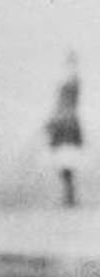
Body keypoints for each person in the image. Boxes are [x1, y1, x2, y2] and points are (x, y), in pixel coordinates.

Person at [46, 52, 84, 208]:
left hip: (66, 125)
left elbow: (69, 97)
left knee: (67, 161)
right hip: (64, 124)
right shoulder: (68, 86)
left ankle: (69, 196)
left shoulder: (71, 85)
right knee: (63, 162)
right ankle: (68, 196)